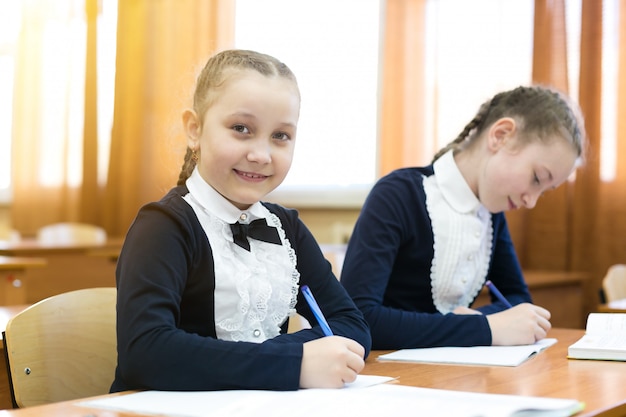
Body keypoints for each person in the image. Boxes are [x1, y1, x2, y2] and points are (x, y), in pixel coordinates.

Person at [111, 49, 371, 392]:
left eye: (280, 136)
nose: (261, 155)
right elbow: (145, 353)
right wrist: (295, 363)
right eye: (241, 129)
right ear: (194, 130)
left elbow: (352, 324)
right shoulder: (163, 225)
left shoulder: (286, 227)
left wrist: (280, 357)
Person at [340, 85, 586, 350]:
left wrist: (478, 322)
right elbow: (358, 318)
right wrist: (482, 328)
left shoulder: (491, 215)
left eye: (544, 192)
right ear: (501, 136)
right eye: (536, 178)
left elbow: (516, 300)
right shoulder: (398, 195)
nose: (531, 201)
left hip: (455, 375)